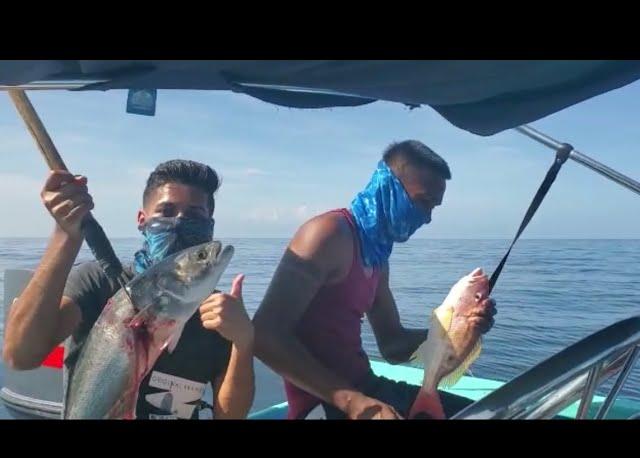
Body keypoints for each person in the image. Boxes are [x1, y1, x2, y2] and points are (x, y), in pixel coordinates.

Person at [253, 140, 496, 419]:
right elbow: (263, 334)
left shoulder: (377, 255)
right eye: (423, 201)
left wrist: (457, 331)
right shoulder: (326, 234)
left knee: (496, 411)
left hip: (367, 387)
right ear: (389, 186)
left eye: (434, 207)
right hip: (323, 403)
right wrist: (350, 401)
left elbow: (392, 345)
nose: (427, 217)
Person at [3, 159, 255, 419]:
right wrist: (65, 236)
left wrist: (243, 342)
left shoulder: (220, 315)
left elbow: (231, 416)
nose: (179, 221)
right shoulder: (100, 282)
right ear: (142, 220)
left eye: (194, 216)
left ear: (210, 225)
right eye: (166, 211)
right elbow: (20, 356)